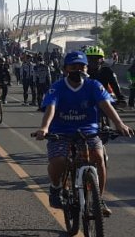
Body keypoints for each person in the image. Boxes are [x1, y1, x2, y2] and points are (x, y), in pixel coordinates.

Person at [33, 51, 133, 217]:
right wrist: (44, 128)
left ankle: (98, 199)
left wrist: (120, 124)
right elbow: (50, 108)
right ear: (65, 69)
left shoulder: (93, 85)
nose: (78, 70)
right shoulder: (57, 87)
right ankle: (56, 187)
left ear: (86, 68)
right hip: (61, 131)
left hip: (89, 130)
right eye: (73, 66)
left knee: (99, 158)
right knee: (59, 161)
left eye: (81, 66)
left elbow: (106, 105)